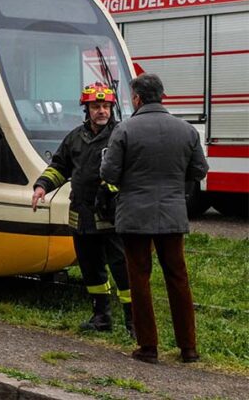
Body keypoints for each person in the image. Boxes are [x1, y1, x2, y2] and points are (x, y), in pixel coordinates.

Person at [101, 73, 209, 364]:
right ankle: (188, 348)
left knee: (139, 277)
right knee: (178, 277)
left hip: (134, 215)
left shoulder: (124, 130)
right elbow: (199, 170)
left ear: (136, 98)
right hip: (172, 214)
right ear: (162, 96)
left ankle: (148, 347)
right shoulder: (186, 130)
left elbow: (109, 173)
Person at [32, 83, 132, 335]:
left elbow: (132, 171)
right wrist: (42, 186)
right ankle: (101, 318)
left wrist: (113, 189)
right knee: (90, 267)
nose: (102, 111)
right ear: (86, 109)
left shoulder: (121, 135)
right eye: (96, 106)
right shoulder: (75, 137)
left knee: (122, 268)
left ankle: (134, 321)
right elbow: (60, 166)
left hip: (110, 216)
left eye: (106, 106)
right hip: (82, 216)